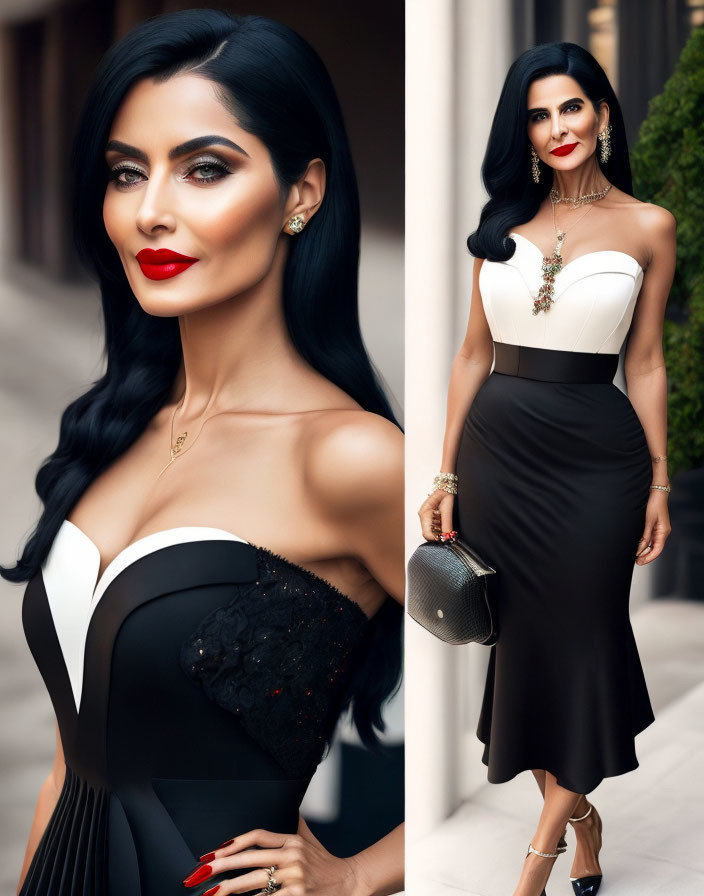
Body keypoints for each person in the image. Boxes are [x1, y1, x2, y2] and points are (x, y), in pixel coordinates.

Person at [2, 10, 404, 896]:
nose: (151, 212)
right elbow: (71, 770)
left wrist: (359, 875)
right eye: (125, 174)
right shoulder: (115, 430)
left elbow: (544, 699)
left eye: (205, 169)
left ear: (302, 193)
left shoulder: (349, 459)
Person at [418, 41, 674, 896]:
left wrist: (661, 481)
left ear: (602, 114)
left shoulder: (648, 225)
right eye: (539, 113)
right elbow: (468, 356)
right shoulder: (501, 226)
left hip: (600, 462)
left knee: (588, 638)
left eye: (573, 107)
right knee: (520, 647)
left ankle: (536, 862)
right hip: (499, 455)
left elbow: (644, 363)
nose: (558, 126)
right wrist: (445, 474)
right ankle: (582, 822)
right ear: (522, 130)